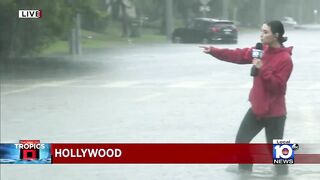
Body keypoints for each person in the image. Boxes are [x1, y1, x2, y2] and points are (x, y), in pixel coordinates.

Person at [200, 20, 293, 175]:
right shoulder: (260, 50)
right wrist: (214, 51)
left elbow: (278, 87)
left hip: (276, 114)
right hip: (256, 109)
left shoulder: (286, 59)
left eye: (265, 32)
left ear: (276, 35)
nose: (261, 35)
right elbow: (238, 55)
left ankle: (285, 175)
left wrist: (262, 69)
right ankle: (245, 172)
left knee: (280, 156)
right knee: (240, 143)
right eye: (261, 31)